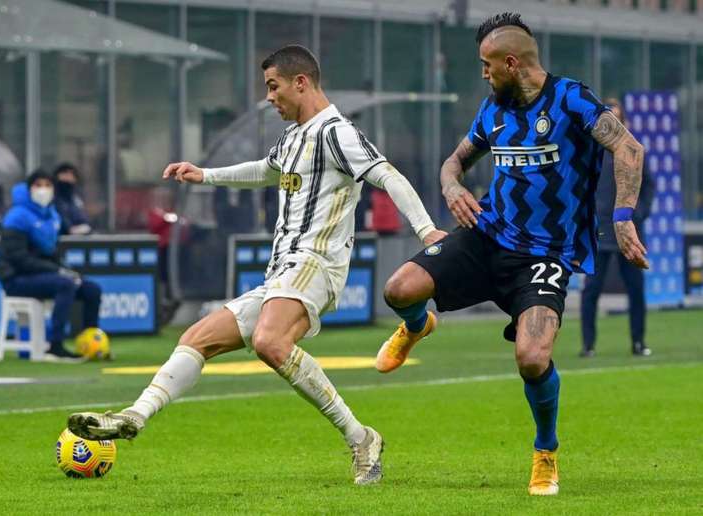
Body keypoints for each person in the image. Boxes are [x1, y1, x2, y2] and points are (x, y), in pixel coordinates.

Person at [67, 44, 446, 485]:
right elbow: (263, 170)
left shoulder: (336, 133)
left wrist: (426, 231)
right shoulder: (292, 137)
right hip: (282, 270)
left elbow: (388, 176)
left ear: (300, 83)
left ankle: (361, 440)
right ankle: (135, 415)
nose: (269, 97)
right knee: (197, 338)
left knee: (270, 341)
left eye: (273, 86)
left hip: (317, 263)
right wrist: (204, 175)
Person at [374, 13, 648, 496]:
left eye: (486, 65)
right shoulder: (492, 110)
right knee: (398, 290)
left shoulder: (570, 99)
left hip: (547, 254)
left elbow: (628, 149)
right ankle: (418, 325)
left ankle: (546, 452)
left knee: (532, 357)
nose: (482, 73)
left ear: (511, 62)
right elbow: (454, 160)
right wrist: (451, 183)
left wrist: (623, 217)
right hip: (487, 237)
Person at [0, 169, 102, 362]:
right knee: (65, 284)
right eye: (38, 185)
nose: (43, 190)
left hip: (44, 276)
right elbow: (19, 259)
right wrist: (58, 271)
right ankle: (55, 345)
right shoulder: (17, 216)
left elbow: (52, 254)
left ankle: (91, 343)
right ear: (29, 189)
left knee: (91, 289)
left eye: (48, 185)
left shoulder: (51, 215)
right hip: (16, 278)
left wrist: (66, 271)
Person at [580, 98, 654, 358]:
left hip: (629, 233)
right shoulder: (590, 153)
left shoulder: (632, 151)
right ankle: (588, 346)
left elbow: (648, 187)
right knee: (591, 291)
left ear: (623, 122)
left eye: (616, 118)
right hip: (599, 232)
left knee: (636, 289)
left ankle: (638, 343)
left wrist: (638, 214)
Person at [52, 163, 92, 235]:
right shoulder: (53, 197)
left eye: (72, 174)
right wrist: (69, 228)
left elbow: (83, 217)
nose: (68, 177)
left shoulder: (76, 197)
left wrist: (85, 226)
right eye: (65, 173)